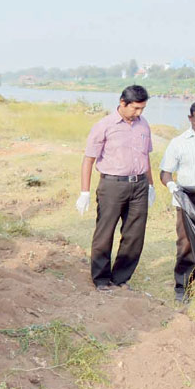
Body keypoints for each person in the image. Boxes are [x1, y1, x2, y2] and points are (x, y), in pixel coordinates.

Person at [77, 85, 154, 291]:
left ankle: (120, 278)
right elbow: (88, 160)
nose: (138, 113)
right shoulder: (104, 126)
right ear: (122, 103)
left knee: (134, 234)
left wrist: (151, 185)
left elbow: (146, 157)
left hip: (139, 184)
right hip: (112, 185)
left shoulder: (143, 125)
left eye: (142, 109)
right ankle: (101, 279)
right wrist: (84, 192)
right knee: (105, 231)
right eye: (135, 108)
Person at [160, 100, 195, 302]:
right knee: (186, 245)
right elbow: (165, 172)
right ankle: (183, 287)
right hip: (188, 203)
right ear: (190, 119)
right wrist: (172, 186)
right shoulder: (179, 142)